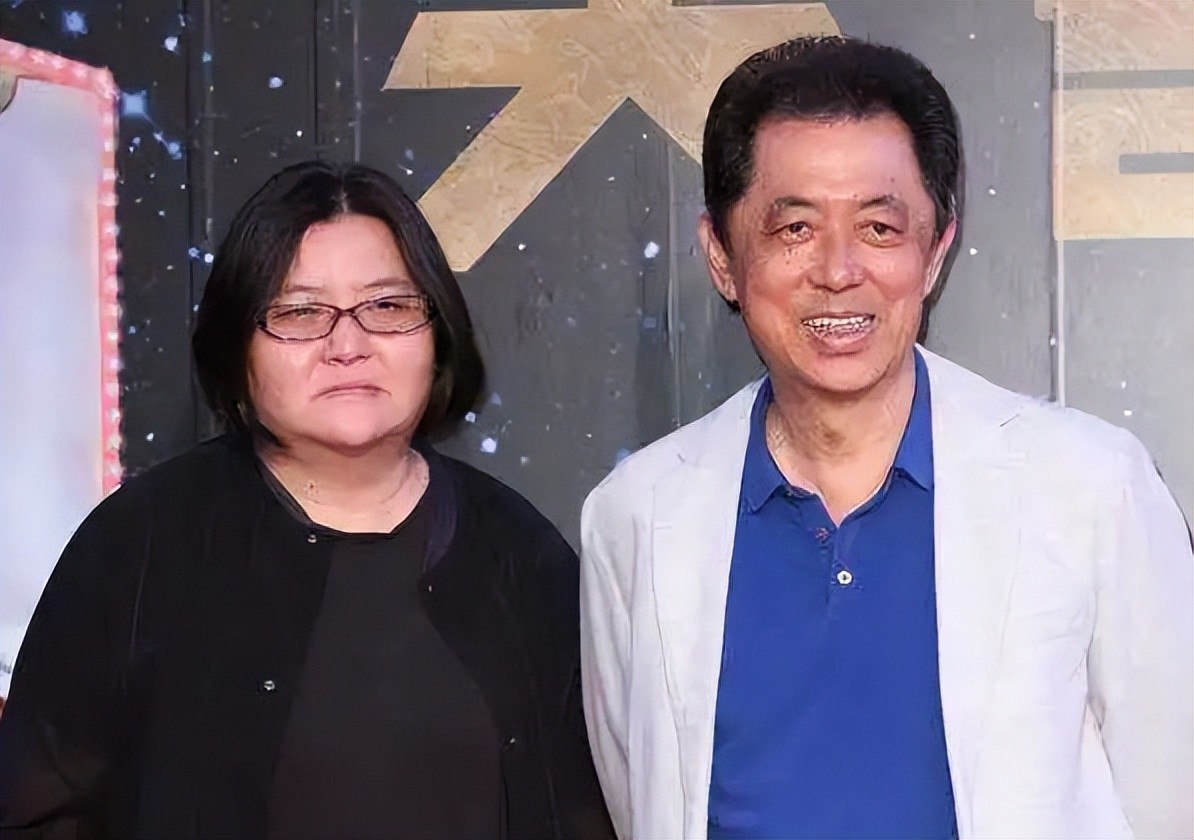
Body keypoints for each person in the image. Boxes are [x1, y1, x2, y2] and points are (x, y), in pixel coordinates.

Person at [580, 35, 1193, 840]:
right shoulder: (636, 515)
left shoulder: (1090, 489)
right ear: (722, 257)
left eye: (878, 227)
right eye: (794, 228)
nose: (839, 271)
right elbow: (639, 799)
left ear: (935, 253)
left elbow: (1170, 798)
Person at [0, 159, 614, 839]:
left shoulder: (521, 556)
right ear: (240, 347)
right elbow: (33, 812)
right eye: (300, 313)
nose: (348, 345)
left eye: (387, 307)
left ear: (438, 335)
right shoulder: (141, 544)